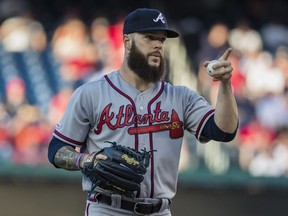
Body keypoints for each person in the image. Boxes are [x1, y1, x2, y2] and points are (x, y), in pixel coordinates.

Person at [47, 8, 238, 216]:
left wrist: (225, 84)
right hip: (107, 208)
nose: (158, 44)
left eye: (162, 40)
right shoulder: (91, 94)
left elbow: (224, 131)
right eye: (149, 37)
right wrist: (85, 160)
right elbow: (56, 149)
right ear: (127, 41)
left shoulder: (181, 97)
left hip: (159, 211)